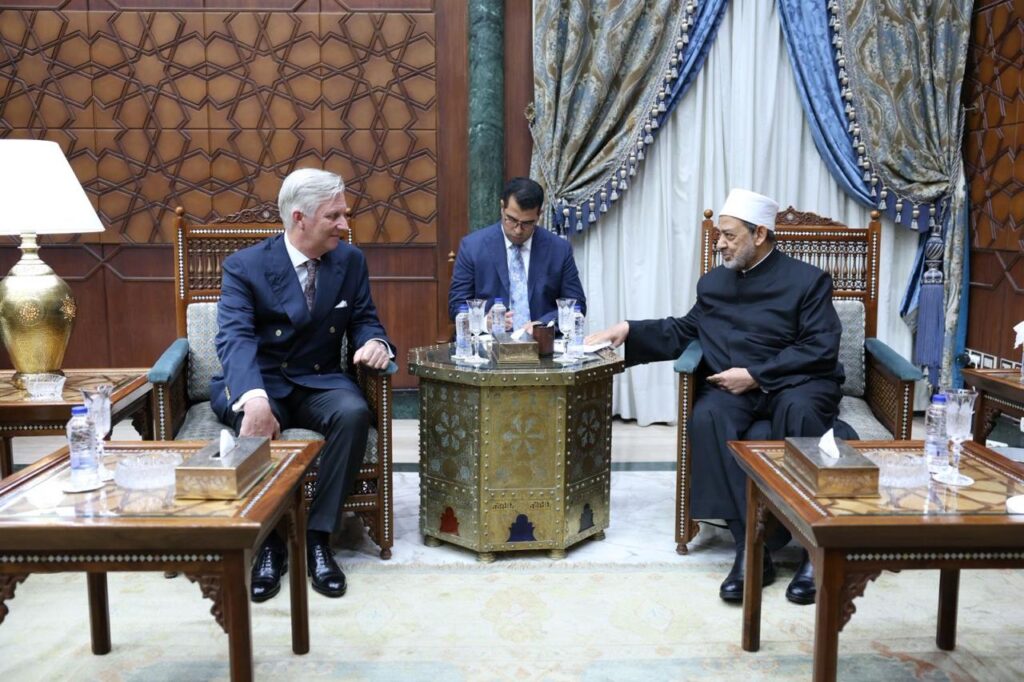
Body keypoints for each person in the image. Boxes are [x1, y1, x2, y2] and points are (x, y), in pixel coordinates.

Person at [587, 188, 849, 606]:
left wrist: (757, 376)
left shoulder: (808, 280)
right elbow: (686, 330)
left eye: (729, 235)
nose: (720, 244)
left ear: (759, 234)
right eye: (718, 236)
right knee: (707, 416)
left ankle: (813, 546)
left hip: (797, 381)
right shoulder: (714, 283)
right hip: (734, 386)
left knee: (799, 411)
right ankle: (751, 546)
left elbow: (820, 347)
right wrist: (630, 329)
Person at [211, 168, 394, 602]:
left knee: (353, 413)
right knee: (253, 421)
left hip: (318, 379)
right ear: (299, 218)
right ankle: (269, 542)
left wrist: (375, 343)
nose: (344, 224)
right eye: (334, 216)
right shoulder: (246, 266)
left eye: (344, 214)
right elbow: (234, 338)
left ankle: (318, 537)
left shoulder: (350, 261)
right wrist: (253, 398)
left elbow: (365, 319)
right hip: (263, 379)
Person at [448, 177, 586, 334]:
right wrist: (484, 322)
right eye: (512, 220)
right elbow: (456, 305)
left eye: (527, 223)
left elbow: (577, 305)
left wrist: (543, 325)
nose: (518, 230)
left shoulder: (559, 249)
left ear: (539, 215)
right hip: (490, 343)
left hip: (541, 344)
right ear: (502, 208)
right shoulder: (473, 247)